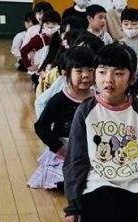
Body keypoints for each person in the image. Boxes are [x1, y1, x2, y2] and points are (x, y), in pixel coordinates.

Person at [63, 44, 138, 222]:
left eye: (118, 73)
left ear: (132, 78)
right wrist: (73, 207)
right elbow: (76, 159)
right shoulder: (85, 111)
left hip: (134, 181)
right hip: (98, 181)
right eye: (102, 72)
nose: (108, 80)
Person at [30, 46, 96, 190]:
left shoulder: (98, 99)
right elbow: (41, 127)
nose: (86, 75)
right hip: (65, 151)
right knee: (65, 178)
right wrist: (58, 147)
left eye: (90, 70)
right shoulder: (59, 100)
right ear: (65, 74)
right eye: (79, 71)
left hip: (92, 150)